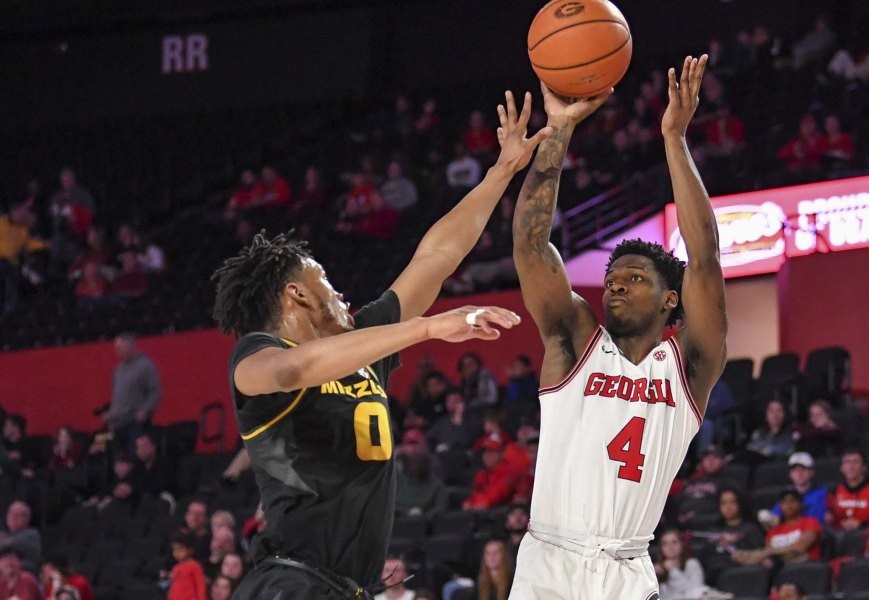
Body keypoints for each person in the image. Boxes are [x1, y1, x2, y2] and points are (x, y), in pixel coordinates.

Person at [213, 90, 548, 599]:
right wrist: (428, 328)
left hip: (346, 588)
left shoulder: (364, 343)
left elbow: (436, 256)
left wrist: (501, 171)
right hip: (289, 582)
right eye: (324, 277)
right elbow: (293, 372)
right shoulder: (257, 356)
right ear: (297, 292)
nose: (339, 289)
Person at [508, 55, 727, 599]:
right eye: (610, 278)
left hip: (627, 567)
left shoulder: (689, 366)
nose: (614, 286)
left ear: (669, 299)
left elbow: (705, 259)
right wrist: (557, 132)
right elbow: (532, 245)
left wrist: (674, 137)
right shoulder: (575, 341)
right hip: (549, 564)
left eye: (632, 278)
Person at [104, 332, 162, 456]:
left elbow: (155, 392)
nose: (117, 352)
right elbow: (117, 398)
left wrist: (145, 410)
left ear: (130, 346)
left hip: (134, 424)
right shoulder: (118, 369)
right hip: (118, 425)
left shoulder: (145, 366)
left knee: (134, 460)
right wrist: (111, 417)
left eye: (120, 348)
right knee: (119, 463)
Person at [733, 489, 823, 567]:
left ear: (800, 504)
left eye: (792, 501)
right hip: (781, 569)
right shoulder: (773, 531)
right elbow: (770, 555)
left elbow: (800, 548)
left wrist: (766, 553)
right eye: (784, 502)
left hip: (805, 566)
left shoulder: (810, 522)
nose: (788, 505)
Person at [827, 448, 869, 532]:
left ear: (864, 467)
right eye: (847, 462)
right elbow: (831, 520)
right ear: (842, 468)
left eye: (855, 462)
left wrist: (862, 524)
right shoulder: (834, 491)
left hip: (868, 534)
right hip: (841, 537)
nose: (851, 466)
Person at [770, 453, 827, 524]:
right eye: (795, 470)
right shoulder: (786, 496)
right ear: (790, 474)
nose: (799, 473)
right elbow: (775, 517)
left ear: (812, 472)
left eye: (803, 469)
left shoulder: (823, 494)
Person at [655, 529, 705, 600]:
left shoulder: (692, 564)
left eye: (674, 542)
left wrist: (673, 571)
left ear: (681, 544)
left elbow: (696, 592)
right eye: (665, 543)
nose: (670, 547)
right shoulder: (656, 570)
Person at [168, 532, 207, 600]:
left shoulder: (195, 566)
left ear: (190, 550)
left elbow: (200, 586)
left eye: (180, 549)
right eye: (174, 550)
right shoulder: (175, 568)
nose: (176, 553)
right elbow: (173, 588)